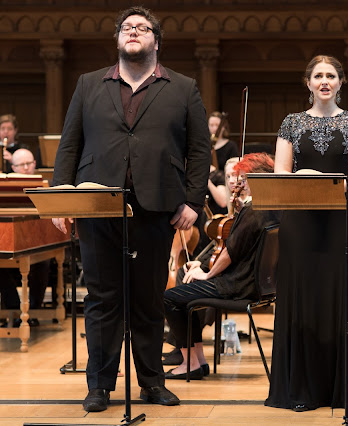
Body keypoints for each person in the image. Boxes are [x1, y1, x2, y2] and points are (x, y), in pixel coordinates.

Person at [50, 6, 211, 412]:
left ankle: (152, 383)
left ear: (156, 40)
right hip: (96, 204)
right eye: (127, 27)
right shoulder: (89, 84)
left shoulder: (183, 86)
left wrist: (194, 200)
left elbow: (198, 149)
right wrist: (61, 195)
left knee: (148, 300)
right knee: (102, 299)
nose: (133, 32)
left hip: (157, 207)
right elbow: (70, 143)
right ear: (118, 39)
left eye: (142, 27)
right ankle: (99, 387)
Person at [265, 55, 348, 411]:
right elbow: (282, 173)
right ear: (308, 82)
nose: (324, 81)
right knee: (304, 294)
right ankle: (302, 388)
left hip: (342, 217)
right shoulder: (291, 123)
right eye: (318, 75)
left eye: (331, 75)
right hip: (300, 221)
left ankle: (344, 387)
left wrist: (335, 185)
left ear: (341, 82)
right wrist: (304, 183)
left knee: (341, 293)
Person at [163, 153, 279, 380]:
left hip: (236, 286)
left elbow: (229, 253)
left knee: (170, 297)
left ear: (258, 179)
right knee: (184, 292)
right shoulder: (269, 208)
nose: (239, 183)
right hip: (255, 285)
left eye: (244, 179)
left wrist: (207, 275)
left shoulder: (253, 211)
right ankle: (198, 362)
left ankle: (190, 363)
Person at [0, 148, 52, 321]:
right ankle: (14, 309)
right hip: (8, 238)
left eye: (29, 163)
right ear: (13, 167)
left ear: (35, 164)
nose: (25, 168)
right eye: (21, 165)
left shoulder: (45, 186)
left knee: (43, 261)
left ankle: (34, 310)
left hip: (36, 238)